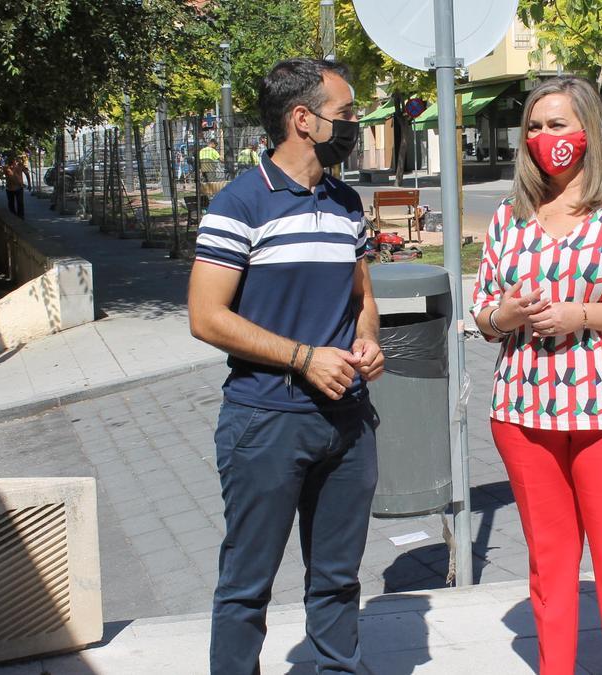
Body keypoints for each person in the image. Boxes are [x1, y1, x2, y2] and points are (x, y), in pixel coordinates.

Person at [470, 76, 602, 675]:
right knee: (550, 565)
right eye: (534, 127)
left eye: (557, 125)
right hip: (523, 412)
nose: (544, 138)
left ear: (588, 129)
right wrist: (502, 315)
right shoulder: (511, 216)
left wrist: (579, 315)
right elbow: (484, 310)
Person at [187, 58, 383, 675]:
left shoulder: (346, 202)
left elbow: (363, 298)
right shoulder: (240, 204)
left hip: (347, 425)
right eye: (347, 114)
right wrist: (302, 358)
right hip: (265, 424)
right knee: (247, 587)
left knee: (337, 581)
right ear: (304, 120)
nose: (356, 125)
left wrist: (368, 339)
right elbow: (206, 316)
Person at [1, 154, 31, 219]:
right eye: (10, 160)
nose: (12, 161)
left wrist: (29, 184)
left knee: (20, 203)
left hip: (18, 187)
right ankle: (13, 217)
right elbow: (5, 175)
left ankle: (21, 217)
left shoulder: (19, 166)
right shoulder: (6, 167)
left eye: (13, 159)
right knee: (11, 204)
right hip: (10, 188)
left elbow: (27, 173)